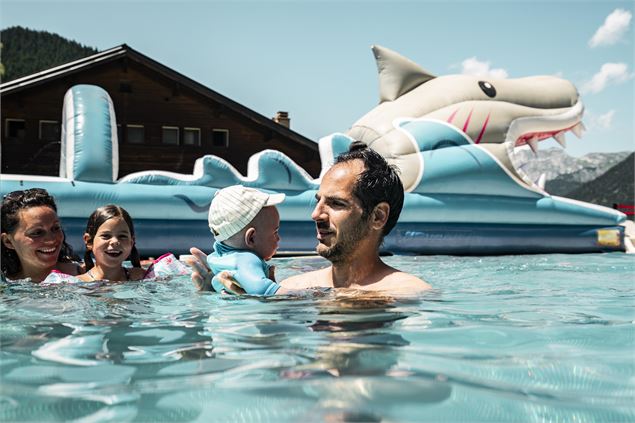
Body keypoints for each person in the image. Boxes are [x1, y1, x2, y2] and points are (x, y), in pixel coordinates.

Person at [187, 141, 431, 295]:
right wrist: (212, 297)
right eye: (318, 201)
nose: (316, 214)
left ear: (378, 216)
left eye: (336, 203)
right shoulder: (295, 287)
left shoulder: (407, 294)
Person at [204, 184, 284, 295]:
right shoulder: (247, 259)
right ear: (251, 238)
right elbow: (263, 291)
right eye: (275, 232)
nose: (279, 238)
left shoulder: (216, 257)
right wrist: (306, 295)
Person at [1, 188, 81, 282]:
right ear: (8, 241)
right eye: (37, 233)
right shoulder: (5, 284)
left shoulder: (86, 275)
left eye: (55, 228)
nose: (51, 239)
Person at [77, 204, 146, 282]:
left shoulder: (142, 277)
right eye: (106, 236)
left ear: (131, 242)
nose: (115, 241)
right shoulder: (77, 284)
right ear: (89, 241)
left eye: (122, 236)